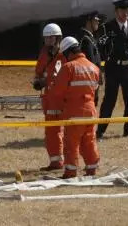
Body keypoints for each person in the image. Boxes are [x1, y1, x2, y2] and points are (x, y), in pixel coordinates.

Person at [47, 37, 100, 179]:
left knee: (71, 142)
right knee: (89, 140)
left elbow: (58, 90)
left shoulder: (68, 67)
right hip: (90, 111)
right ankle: (92, 169)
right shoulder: (93, 67)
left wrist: (51, 85)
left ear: (68, 52)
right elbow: (95, 89)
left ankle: (70, 172)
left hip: (75, 111)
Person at [97, 0, 128, 139]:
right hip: (114, 67)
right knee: (109, 100)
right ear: (116, 12)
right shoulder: (108, 27)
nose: (125, 14)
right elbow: (101, 47)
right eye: (122, 11)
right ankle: (100, 130)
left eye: (127, 11)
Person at [34, 23, 65, 171]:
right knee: (51, 132)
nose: (47, 41)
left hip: (61, 98)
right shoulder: (44, 53)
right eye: (45, 38)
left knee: (64, 131)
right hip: (49, 98)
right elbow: (39, 71)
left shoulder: (64, 54)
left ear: (57, 38)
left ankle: (64, 161)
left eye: (50, 38)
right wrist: (38, 82)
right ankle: (55, 161)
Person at [76, 13, 104, 105]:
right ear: (88, 22)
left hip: (91, 78)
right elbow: (90, 62)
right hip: (89, 79)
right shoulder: (85, 39)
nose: (98, 22)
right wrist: (97, 75)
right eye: (95, 20)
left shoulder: (89, 37)